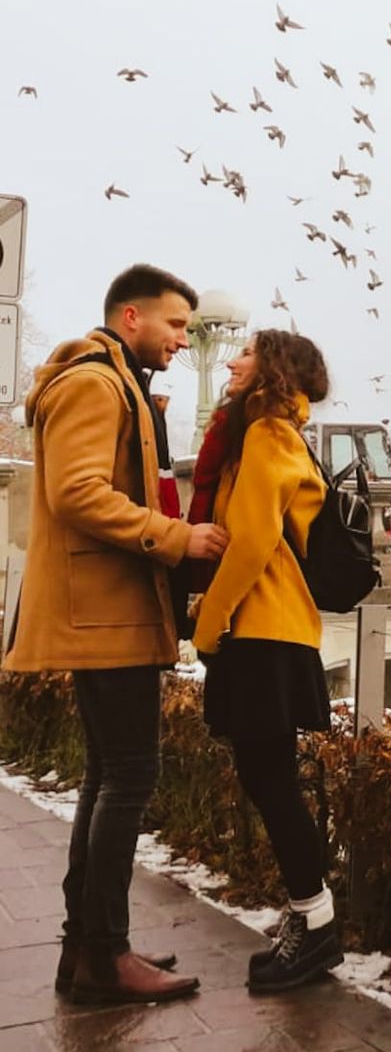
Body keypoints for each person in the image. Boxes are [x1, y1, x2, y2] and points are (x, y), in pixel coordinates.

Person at [5, 264, 227, 1004]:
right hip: (106, 614)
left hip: (108, 611)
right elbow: (77, 492)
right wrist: (177, 537)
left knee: (110, 776)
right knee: (129, 776)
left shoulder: (110, 381)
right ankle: (104, 954)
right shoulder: (96, 385)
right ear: (132, 316)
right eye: (175, 325)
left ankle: (89, 949)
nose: (183, 340)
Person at [191, 329, 342, 994]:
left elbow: (251, 542)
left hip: (263, 629)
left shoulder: (268, 433)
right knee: (270, 779)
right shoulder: (272, 432)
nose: (231, 359)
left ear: (271, 368)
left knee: (272, 782)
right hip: (270, 628)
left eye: (246, 352)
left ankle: (317, 921)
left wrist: (209, 623)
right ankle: (311, 915)